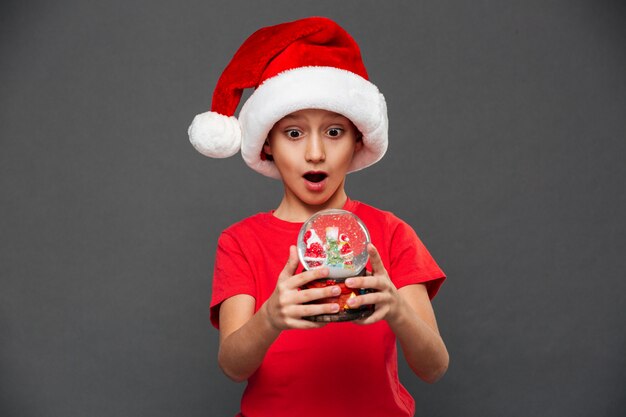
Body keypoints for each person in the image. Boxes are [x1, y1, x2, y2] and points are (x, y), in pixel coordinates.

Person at [188, 16, 449, 417]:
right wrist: (272, 316)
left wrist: (396, 307)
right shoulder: (240, 241)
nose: (315, 153)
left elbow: (434, 368)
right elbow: (232, 365)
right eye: (293, 133)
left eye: (334, 132)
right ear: (268, 144)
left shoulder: (390, 233)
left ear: (358, 138)